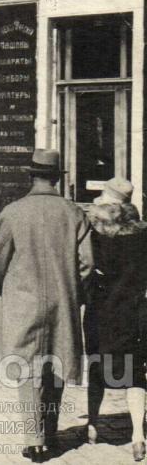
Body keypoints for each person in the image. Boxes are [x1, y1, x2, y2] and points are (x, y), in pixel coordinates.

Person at [0, 149, 93, 462]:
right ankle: (50, 433)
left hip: (23, 301)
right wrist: (75, 292)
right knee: (56, 364)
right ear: (57, 178)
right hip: (63, 301)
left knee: (28, 368)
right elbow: (87, 263)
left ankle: (34, 441)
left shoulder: (13, 212)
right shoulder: (74, 213)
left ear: (31, 176)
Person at [82, 178, 147, 459]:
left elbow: (85, 267)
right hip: (134, 310)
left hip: (101, 309)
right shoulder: (142, 234)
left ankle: (92, 426)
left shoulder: (96, 233)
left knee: (97, 365)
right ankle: (138, 435)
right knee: (135, 370)